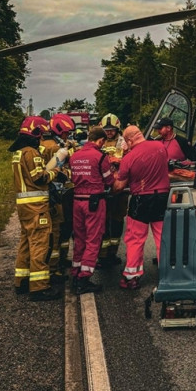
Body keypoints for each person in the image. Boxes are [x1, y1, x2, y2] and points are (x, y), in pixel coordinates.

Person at [11, 116, 68, 301]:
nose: (41, 138)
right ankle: (39, 287)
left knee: (26, 243)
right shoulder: (32, 153)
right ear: (35, 133)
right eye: (41, 134)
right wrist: (56, 173)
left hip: (24, 208)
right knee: (39, 245)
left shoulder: (18, 153)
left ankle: (22, 281)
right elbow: (40, 178)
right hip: (37, 208)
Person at [113, 124, 171, 289]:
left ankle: (132, 277)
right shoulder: (160, 147)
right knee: (162, 237)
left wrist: (113, 180)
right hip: (161, 197)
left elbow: (118, 187)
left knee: (135, 238)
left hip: (141, 200)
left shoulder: (129, 158)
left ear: (130, 140)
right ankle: (167, 274)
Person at [68, 125, 115, 294]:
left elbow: (73, 177)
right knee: (93, 240)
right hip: (94, 202)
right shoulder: (100, 157)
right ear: (101, 140)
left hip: (77, 201)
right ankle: (84, 278)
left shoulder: (75, 156)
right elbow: (109, 181)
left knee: (79, 239)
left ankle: (76, 273)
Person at [44, 113, 77, 277]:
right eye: (66, 132)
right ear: (59, 131)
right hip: (56, 193)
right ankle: (54, 268)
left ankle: (60, 261)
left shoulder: (44, 144)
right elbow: (56, 170)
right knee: (57, 230)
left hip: (49, 193)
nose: (67, 135)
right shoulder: (55, 148)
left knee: (61, 228)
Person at [96, 113, 127, 268]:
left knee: (117, 220)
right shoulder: (99, 142)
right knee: (103, 221)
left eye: (111, 130)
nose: (108, 132)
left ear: (117, 128)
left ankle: (113, 252)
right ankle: (102, 255)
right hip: (103, 187)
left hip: (120, 188)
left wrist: (119, 161)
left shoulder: (123, 142)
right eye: (106, 130)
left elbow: (130, 159)